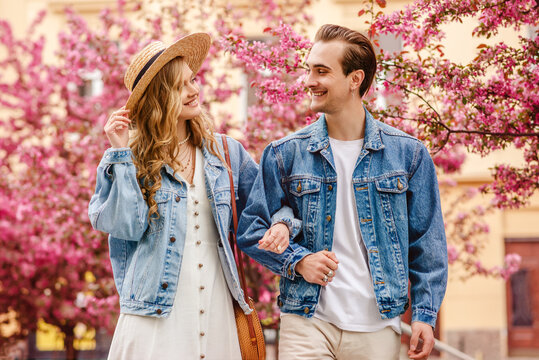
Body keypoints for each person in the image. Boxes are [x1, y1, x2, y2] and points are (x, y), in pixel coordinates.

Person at [237, 24, 448, 360]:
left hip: (377, 324)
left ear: (355, 79)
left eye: (321, 71)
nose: (308, 81)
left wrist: (425, 314)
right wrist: (299, 260)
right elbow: (251, 231)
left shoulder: (408, 155)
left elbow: (428, 243)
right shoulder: (284, 154)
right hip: (307, 320)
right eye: (309, 69)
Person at [88, 33, 292, 360]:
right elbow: (124, 226)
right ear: (159, 97)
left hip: (217, 310)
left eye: (193, 80)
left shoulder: (225, 153)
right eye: (180, 86)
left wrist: (282, 225)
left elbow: (271, 203)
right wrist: (120, 153)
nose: (195, 90)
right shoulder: (130, 160)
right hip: (153, 317)